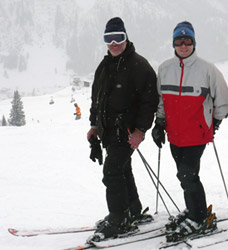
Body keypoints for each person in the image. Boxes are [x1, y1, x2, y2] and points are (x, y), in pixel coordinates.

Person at [151, 21, 228, 241]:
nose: (183, 45)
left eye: (188, 41)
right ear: (173, 43)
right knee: (184, 175)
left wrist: (214, 123)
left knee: (188, 174)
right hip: (174, 133)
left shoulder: (207, 69)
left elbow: (224, 100)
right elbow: (162, 100)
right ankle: (195, 209)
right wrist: (159, 124)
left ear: (194, 43)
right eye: (179, 41)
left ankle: (198, 218)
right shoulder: (164, 69)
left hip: (197, 134)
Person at [86, 17, 159, 242]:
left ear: (126, 37)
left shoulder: (139, 65)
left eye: (119, 37)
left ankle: (119, 219)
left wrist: (140, 130)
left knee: (112, 171)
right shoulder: (104, 65)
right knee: (123, 169)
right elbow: (97, 98)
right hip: (108, 131)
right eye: (109, 38)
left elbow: (150, 102)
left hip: (127, 131)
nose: (114, 43)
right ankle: (132, 209)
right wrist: (94, 126)